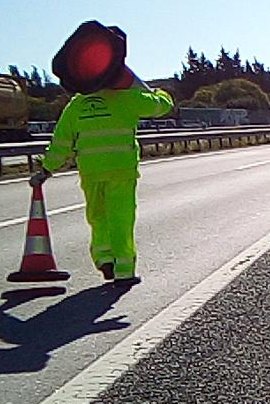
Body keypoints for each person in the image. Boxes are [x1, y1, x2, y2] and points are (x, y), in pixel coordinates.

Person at [30, 69, 173, 283]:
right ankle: (123, 269)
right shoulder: (127, 98)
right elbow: (162, 107)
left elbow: (61, 143)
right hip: (121, 171)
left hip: (91, 172)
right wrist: (159, 92)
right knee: (121, 219)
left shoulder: (76, 106)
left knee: (98, 218)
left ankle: (104, 259)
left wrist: (46, 170)